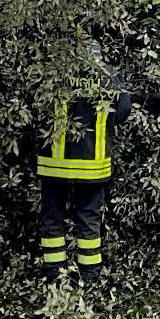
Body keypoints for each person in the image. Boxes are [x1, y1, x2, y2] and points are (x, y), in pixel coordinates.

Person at [38, 43, 131, 282]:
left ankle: (55, 278)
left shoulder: (52, 72)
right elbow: (123, 111)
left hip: (53, 165)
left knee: (52, 219)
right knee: (88, 221)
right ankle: (89, 279)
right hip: (91, 165)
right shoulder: (108, 77)